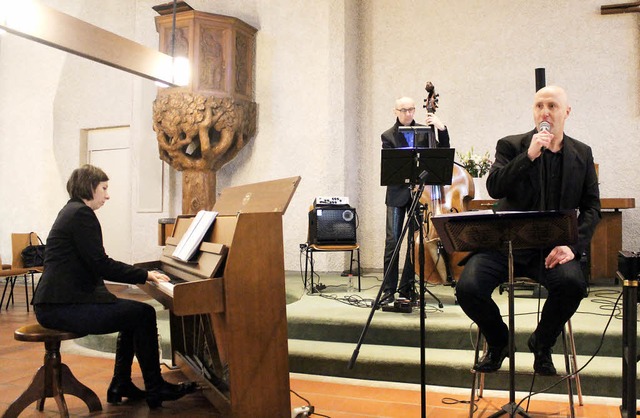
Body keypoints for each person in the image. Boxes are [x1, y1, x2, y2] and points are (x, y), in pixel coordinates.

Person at [456, 86, 601, 375]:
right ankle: (499, 341)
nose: (544, 111)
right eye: (539, 106)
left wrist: (573, 248)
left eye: (552, 105)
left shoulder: (582, 154)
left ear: (566, 112)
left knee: (573, 285)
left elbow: (592, 208)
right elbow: (495, 186)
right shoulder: (512, 146)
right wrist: (529, 156)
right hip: (505, 244)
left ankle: (542, 343)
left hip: (552, 249)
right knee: (468, 288)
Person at [32, 164, 197, 408]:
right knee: (143, 313)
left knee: (132, 313)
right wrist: (145, 275)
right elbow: (101, 264)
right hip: (62, 306)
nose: (107, 195)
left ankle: (122, 383)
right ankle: (155, 387)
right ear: (90, 187)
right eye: (104, 188)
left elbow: (94, 264)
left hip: (59, 302)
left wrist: (143, 275)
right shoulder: (81, 214)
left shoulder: (72, 211)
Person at [380, 96, 450, 305]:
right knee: (393, 241)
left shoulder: (426, 131)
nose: (409, 113)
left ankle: (406, 288)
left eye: (411, 109)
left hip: (419, 196)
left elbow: (442, 153)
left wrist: (441, 128)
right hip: (397, 195)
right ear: (396, 111)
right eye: (404, 110)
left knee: (414, 242)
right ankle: (388, 290)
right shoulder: (388, 136)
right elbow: (392, 167)